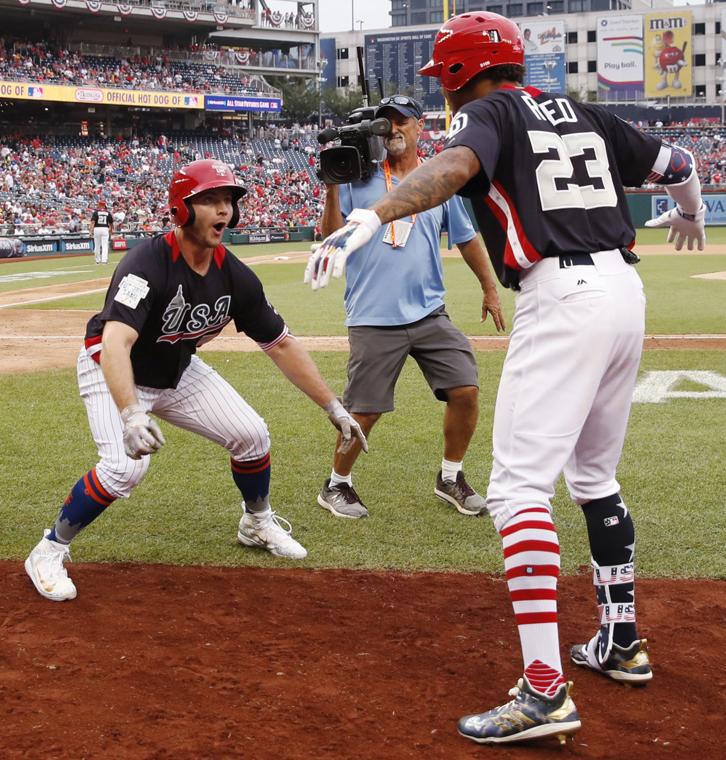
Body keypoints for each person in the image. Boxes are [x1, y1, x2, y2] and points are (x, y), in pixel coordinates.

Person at [307, 13, 705, 745]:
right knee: (594, 478)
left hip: (562, 298)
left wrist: (375, 215)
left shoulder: (489, 111)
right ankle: (620, 642)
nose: (444, 95)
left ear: (460, 73)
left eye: (443, 78)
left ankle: (546, 692)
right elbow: (681, 166)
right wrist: (690, 213)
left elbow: (452, 171)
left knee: (519, 491)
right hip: (625, 294)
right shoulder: (586, 112)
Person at [25, 159, 367, 603]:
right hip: (112, 367)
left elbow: (280, 344)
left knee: (251, 434)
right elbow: (115, 342)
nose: (223, 210)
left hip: (175, 370)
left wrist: (333, 406)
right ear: (180, 210)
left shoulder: (234, 274)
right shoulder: (147, 262)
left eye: (228, 200)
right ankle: (49, 549)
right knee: (125, 467)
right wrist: (130, 413)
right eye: (209, 200)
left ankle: (256, 522)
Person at [308, 94, 504, 519]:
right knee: (365, 410)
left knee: (465, 389)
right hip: (373, 316)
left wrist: (489, 288)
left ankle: (450, 477)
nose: (393, 129)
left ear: (420, 127)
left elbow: (468, 239)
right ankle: (336, 484)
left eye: (401, 121)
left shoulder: (439, 180)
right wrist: (332, 186)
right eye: (385, 122)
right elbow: (330, 236)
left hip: (430, 312)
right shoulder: (358, 179)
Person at [91, 199, 113, 265]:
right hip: (105, 228)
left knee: (97, 245)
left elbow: (93, 222)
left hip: (97, 228)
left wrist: (91, 231)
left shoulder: (96, 212)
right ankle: (104, 260)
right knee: (104, 245)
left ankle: (97, 260)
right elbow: (111, 223)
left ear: (99, 205)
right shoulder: (108, 213)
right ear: (104, 206)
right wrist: (111, 230)